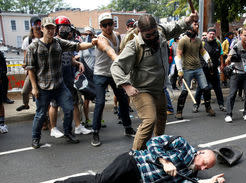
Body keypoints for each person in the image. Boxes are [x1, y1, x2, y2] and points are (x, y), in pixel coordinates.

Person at [33, 135, 225, 183]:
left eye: (207, 168)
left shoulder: (192, 175)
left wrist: (208, 182)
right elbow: (153, 142)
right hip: (133, 164)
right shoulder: (182, 145)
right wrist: (164, 162)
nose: (204, 168)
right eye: (205, 163)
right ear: (200, 153)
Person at [111, 13, 196, 150]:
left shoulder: (161, 34)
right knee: (150, 120)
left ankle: (156, 149)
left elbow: (176, 27)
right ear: (140, 32)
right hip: (141, 90)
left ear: (156, 28)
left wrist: (189, 20)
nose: (152, 38)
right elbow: (116, 66)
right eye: (148, 35)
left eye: (154, 33)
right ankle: (135, 157)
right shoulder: (134, 46)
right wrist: (126, 86)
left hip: (159, 88)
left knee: (161, 119)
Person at [25, 17, 97, 149]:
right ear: (42, 29)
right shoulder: (33, 47)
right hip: (43, 86)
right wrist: (34, 88)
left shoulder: (58, 42)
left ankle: (68, 133)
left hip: (59, 85)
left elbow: (77, 46)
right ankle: (35, 138)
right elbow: (30, 69)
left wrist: (93, 43)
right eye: (48, 28)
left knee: (69, 108)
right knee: (40, 114)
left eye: (53, 28)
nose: (51, 31)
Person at [91, 13, 136, 147]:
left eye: (110, 23)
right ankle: (95, 132)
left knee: (123, 99)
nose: (108, 27)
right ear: (101, 27)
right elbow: (109, 50)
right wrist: (118, 61)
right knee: (99, 103)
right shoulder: (100, 39)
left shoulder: (116, 35)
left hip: (113, 73)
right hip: (100, 74)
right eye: (105, 25)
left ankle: (128, 127)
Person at [48, 16, 91, 138]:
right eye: (62, 27)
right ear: (56, 28)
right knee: (54, 104)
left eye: (66, 27)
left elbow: (71, 57)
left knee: (74, 102)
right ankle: (53, 128)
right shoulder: (54, 42)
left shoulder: (69, 41)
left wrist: (78, 63)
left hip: (68, 76)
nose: (65, 30)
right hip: (57, 77)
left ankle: (78, 126)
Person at [175, 21, 216, 119]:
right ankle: (179, 111)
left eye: (197, 25)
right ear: (189, 28)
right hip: (187, 70)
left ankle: (208, 107)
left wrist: (208, 60)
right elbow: (178, 55)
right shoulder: (183, 41)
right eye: (195, 25)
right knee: (184, 92)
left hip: (198, 68)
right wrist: (179, 70)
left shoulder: (198, 40)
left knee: (206, 89)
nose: (197, 26)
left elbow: (203, 52)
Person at [224, 27, 246, 122]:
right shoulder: (236, 45)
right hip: (236, 73)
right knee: (232, 94)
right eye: (245, 35)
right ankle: (228, 114)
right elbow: (228, 58)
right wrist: (228, 60)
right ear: (241, 35)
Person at [194, 28, 225, 111]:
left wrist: (222, 64)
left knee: (217, 88)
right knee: (200, 88)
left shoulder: (218, 43)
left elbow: (221, 54)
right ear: (207, 34)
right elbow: (196, 55)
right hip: (203, 70)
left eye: (213, 34)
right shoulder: (202, 43)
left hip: (214, 69)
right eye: (210, 34)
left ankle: (221, 104)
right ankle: (196, 105)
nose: (212, 35)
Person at [17, 16, 42, 112]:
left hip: (43, 70)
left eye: (39, 24)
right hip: (32, 71)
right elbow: (25, 57)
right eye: (35, 24)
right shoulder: (28, 40)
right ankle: (26, 104)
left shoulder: (45, 37)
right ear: (31, 26)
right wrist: (25, 65)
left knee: (40, 95)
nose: (37, 26)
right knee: (24, 91)